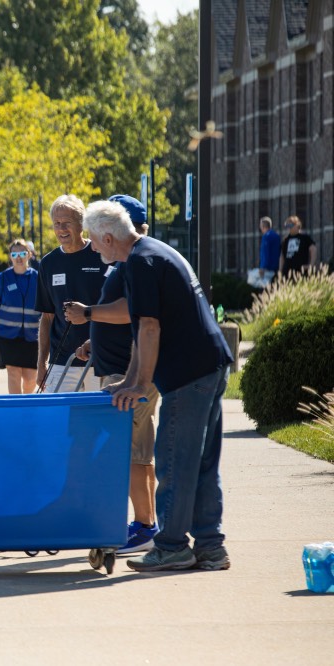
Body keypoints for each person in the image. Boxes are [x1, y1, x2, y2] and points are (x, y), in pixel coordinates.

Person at [83, 200, 234, 572]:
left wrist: (142, 385)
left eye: (94, 240)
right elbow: (141, 331)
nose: (92, 247)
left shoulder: (140, 262)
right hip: (208, 366)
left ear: (107, 235)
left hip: (189, 375)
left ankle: (170, 547)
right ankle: (210, 548)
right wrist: (131, 381)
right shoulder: (151, 253)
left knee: (174, 461)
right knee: (199, 463)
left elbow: (150, 327)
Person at [65, 195, 160, 554]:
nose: (90, 241)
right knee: (136, 451)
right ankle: (145, 521)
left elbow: (130, 313)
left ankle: (143, 526)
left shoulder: (131, 264)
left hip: (128, 374)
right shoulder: (123, 264)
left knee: (126, 452)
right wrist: (94, 342)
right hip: (120, 368)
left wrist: (89, 314)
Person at [35, 194, 105, 393]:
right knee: (57, 421)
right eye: (56, 223)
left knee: (97, 422)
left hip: (99, 360)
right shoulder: (48, 263)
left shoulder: (102, 254)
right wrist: (42, 363)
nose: (61, 229)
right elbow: (47, 317)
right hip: (61, 362)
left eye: (67, 223)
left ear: (81, 223)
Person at [0, 238, 40, 394]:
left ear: (29, 255)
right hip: (7, 336)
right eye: (14, 254)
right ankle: (18, 412)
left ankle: (26, 403)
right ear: (10, 257)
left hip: (33, 336)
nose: (18, 257)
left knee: (30, 378)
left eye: (22, 253)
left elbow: (47, 308)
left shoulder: (38, 278)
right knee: (13, 373)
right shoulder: (3, 278)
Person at [258, 216, 280, 285]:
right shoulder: (276, 236)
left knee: (265, 290)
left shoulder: (266, 236)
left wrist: (263, 267)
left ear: (263, 226)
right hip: (276, 266)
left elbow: (265, 253)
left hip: (268, 269)